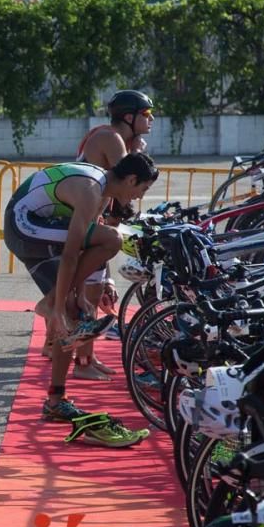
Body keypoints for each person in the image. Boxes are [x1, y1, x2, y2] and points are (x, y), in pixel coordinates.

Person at [4, 153, 159, 447]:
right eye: (142, 189)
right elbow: (73, 251)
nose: (139, 197)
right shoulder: (92, 191)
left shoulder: (103, 193)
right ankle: (52, 306)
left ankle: (56, 400)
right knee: (112, 239)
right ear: (130, 180)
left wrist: (82, 296)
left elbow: (85, 249)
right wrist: (60, 303)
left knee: (76, 316)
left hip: (36, 223)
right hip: (22, 223)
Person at [71, 90, 155, 379]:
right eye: (146, 114)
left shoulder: (118, 139)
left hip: (94, 217)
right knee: (85, 293)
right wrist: (138, 151)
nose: (151, 119)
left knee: (92, 292)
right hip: (82, 219)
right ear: (128, 117)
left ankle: (87, 358)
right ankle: (81, 363)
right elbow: (130, 180)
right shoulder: (112, 139)